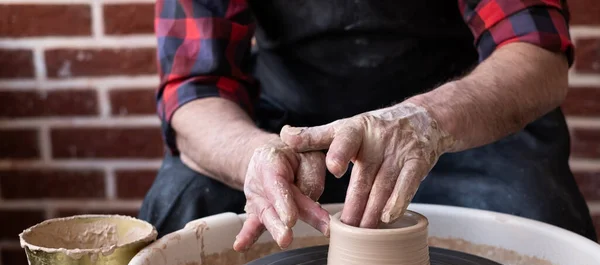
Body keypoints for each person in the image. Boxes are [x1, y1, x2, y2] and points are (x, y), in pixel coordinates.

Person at [140, 0, 597, 250]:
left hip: (454, 115)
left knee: (540, 221)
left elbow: (535, 53)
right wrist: (255, 156)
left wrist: (429, 120)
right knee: (181, 208)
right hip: (291, 124)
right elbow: (194, 87)